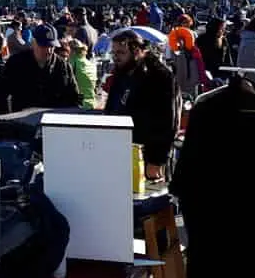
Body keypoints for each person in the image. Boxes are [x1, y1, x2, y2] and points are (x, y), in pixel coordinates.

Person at [104, 30, 177, 181]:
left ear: (136, 51)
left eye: (121, 52)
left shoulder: (160, 76)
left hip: (149, 156)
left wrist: (156, 160)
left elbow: (169, 121)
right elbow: (111, 109)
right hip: (121, 151)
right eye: (114, 53)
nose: (116, 57)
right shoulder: (122, 73)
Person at [0, 24, 81, 114]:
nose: (48, 50)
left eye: (51, 46)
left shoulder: (63, 66)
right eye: (44, 46)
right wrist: (6, 121)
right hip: (22, 122)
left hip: (52, 123)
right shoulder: (16, 63)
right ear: (33, 43)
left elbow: (74, 98)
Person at [67, 38, 97, 110]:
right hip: (92, 103)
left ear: (72, 50)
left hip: (80, 106)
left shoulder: (71, 62)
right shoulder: (90, 63)